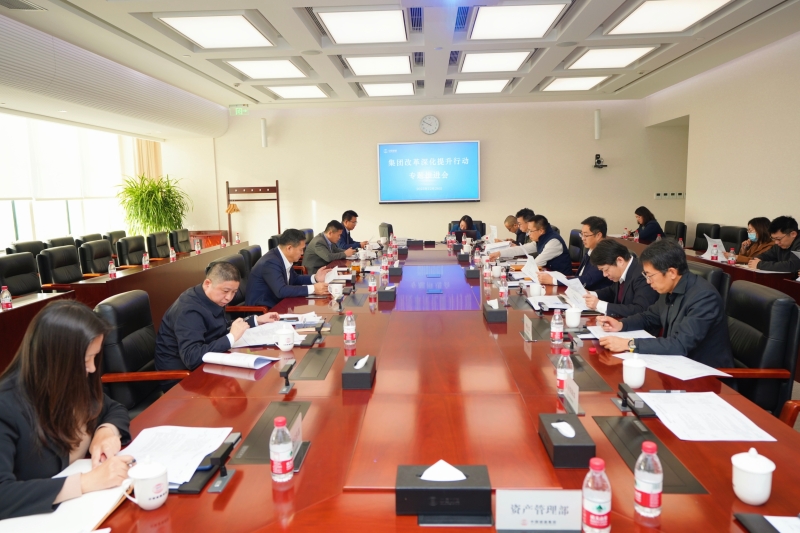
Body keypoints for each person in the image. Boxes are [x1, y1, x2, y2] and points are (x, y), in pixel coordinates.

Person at [0, 300, 133, 519]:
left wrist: (106, 431)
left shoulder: (73, 381)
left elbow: (113, 408)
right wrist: (86, 482)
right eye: (87, 359)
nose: (92, 368)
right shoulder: (7, 406)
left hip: (89, 509)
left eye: (94, 357)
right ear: (57, 360)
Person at [596, 240, 734, 368]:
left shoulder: (704, 297)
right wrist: (621, 324)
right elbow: (649, 316)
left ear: (672, 272)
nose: (648, 281)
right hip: (677, 364)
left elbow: (680, 344)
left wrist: (629, 344)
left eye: (650, 275)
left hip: (706, 373)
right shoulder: (670, 288)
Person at [155, 262, 280, 373]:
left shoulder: (211, 297)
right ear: (207, 283)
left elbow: (219, 328)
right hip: (180, 377)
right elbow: (191, 358)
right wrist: (231, 337)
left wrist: (256, 320)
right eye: (225, 291)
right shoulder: (189, 311)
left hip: (205, 364)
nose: (229, 297)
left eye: (234, 292)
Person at [246, 228, 331, 309]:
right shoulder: (271, 262)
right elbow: (281, 291)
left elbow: (295, 279)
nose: (302, 253)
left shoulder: (281, 257)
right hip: (264, 310)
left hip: (279, 303)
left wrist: (315, 278)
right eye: (301, 249)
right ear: (289, 248)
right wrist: (313, 289)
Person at [583, 239, 659, 317]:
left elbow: (640, 309)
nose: (604, 274)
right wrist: (591, 294)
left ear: (620, 261)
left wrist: (599, 305)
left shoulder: (642, 274)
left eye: (606, 269)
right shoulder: (621, 271)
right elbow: (612, 291)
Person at [538, 216, 612, 291]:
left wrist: (554, 280)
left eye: (586, 235)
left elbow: (588, 279)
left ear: (598, 235)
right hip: (578, 291)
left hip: (592, 294)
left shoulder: (605, 255)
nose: (582, 238)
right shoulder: (591, 250)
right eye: (582, 234)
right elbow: (580, 275)